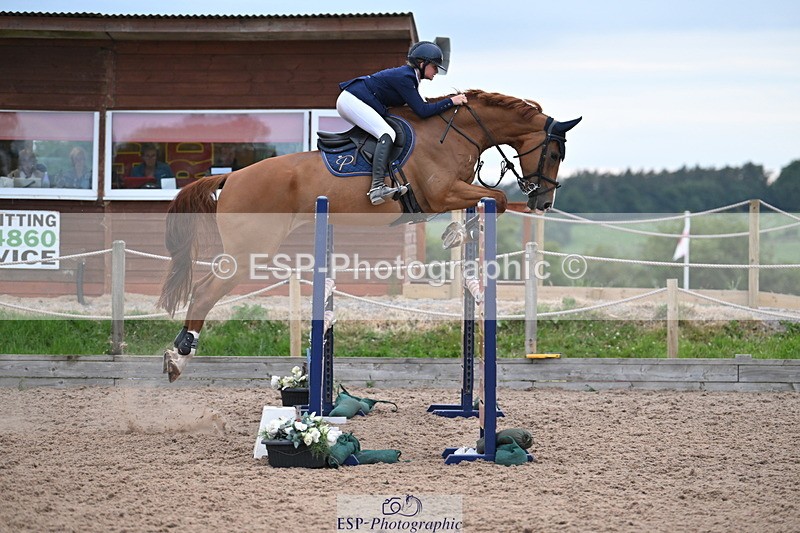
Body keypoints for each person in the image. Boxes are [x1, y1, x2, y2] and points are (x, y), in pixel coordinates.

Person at [337, 40, 468, 205]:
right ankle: (377, 187)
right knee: (387, 133)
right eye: (434, 67)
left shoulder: (410, 78)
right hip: (351, 100)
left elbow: (419, 107)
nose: (436, 71)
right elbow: (423, 110)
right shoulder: (405, 77)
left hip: (356, 100)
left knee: (386, 131)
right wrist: (451, 101)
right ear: (422, 63)